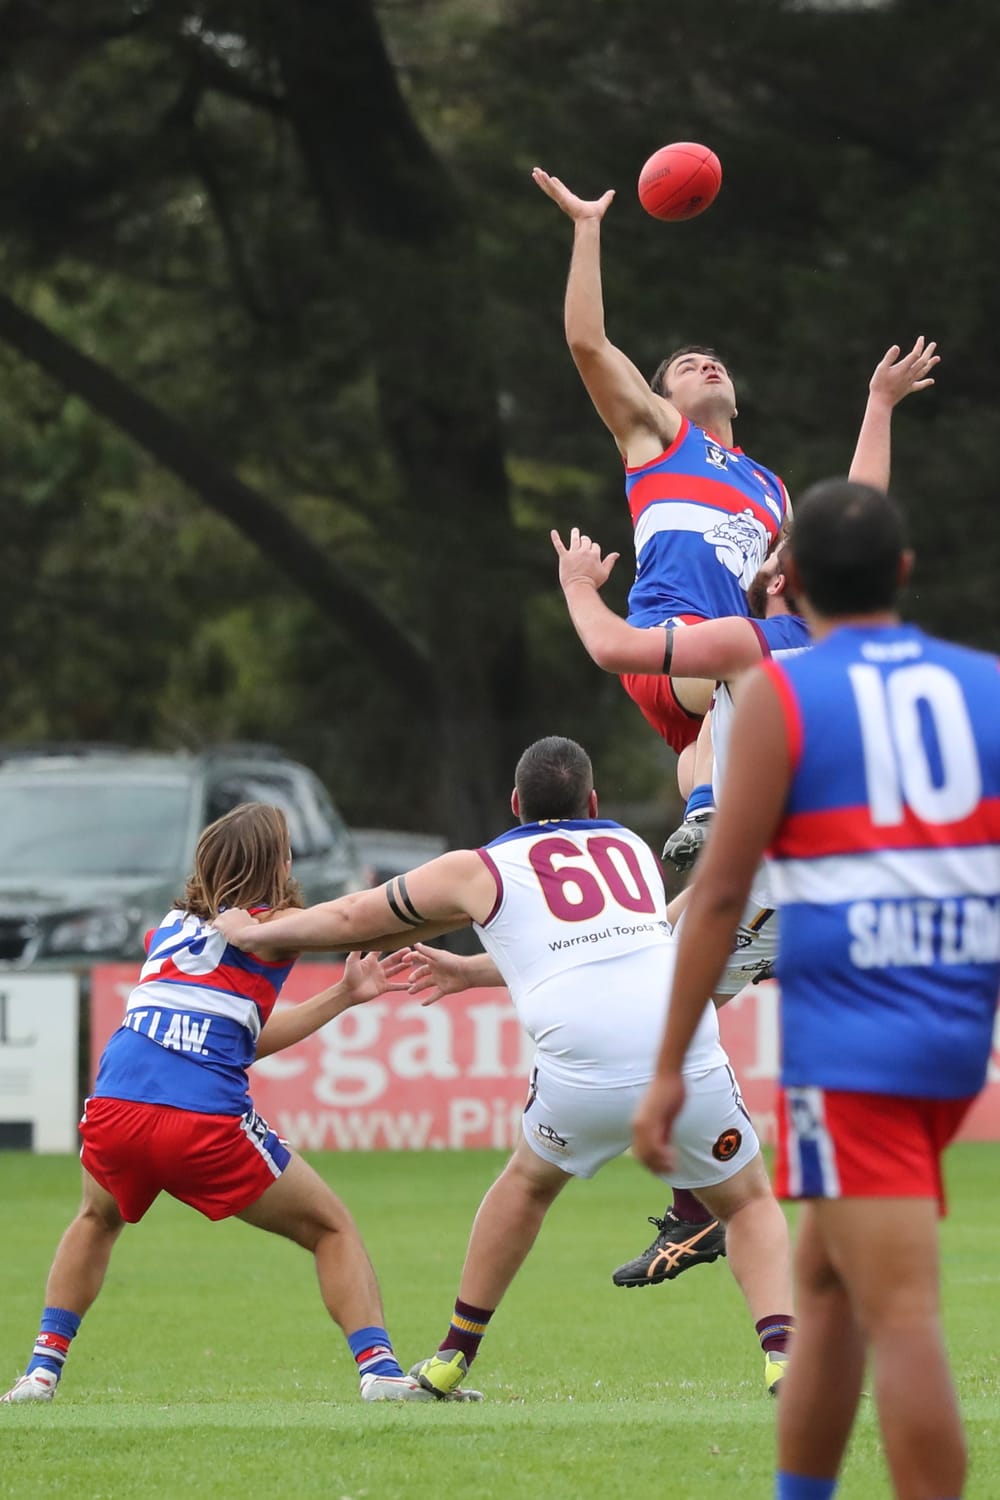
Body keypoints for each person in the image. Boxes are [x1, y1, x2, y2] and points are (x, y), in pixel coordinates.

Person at [215, 738, 796, 1399]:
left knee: (525, 1187)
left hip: (581, 1070)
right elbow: (619, 945)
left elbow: (352, 916)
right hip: (682, 1048)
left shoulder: (478, 869)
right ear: (593, 802)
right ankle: (783, 1357)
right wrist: (469, 971)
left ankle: (452, 1357)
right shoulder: (632, 848)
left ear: (515, 803)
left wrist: (258, 932)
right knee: (748, 1204)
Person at [632, 480, 1000, 1500]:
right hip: (954, 1024)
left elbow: (717, 897)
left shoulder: (780, 697)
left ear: (785, 580)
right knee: (828, 1291)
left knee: (899, 1312)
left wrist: (667, 1067)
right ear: (905, 572)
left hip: (855, 1038)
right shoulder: (984, 685)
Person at [1, 802, 476, 1406]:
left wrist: (343, 995)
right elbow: (369, 926)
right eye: (285, 849)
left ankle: (40, 1373)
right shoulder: (271, 926)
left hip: (117, 1102)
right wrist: (472, 907)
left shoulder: (171, 927)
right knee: (330, 1228)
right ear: (275, 863)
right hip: (200, 1118)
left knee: (96, 1219)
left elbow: (238, 1038)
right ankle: (379, 1371)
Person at [532, 165, 938, 796]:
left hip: (725, 658)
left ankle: (705, 819)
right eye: (688, 367)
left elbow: (854, 520)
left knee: (718, 749)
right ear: (660, 400)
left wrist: (879, 404)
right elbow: (588, 344)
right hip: (673, 636)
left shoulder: (770, 487)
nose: (708, 366)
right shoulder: (658, 438)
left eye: (714, 362)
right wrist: (587, 227)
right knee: (756, 680)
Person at [554, 524, 808, 1286]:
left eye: (769, 556)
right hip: (814, 884)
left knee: (658, 1020)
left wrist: (577, 586)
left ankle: (702, 1212)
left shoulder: (748, 644)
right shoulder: (853, 650)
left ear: (777, 580)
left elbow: (614, 649)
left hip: (768, 891)